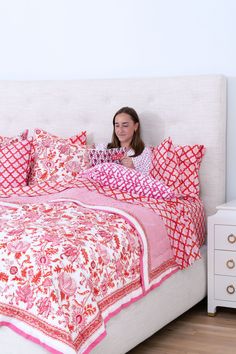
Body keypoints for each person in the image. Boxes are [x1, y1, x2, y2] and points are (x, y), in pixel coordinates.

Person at [98, 106, 151, 175]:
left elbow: (147, 181)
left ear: (136, 126)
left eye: (125, 125)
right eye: (117, 126)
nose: (120, 130)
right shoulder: (103, 148)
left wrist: (132, 169)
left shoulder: (144, 153)